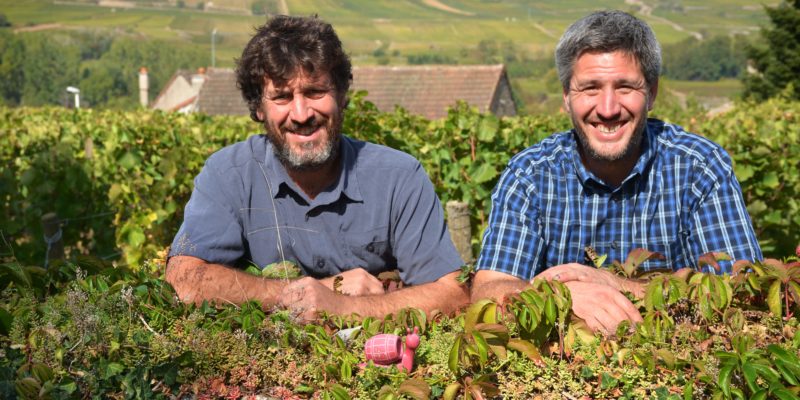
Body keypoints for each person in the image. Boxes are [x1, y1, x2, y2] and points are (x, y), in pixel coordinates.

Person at [471, 10, 762, 334]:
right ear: (567, 97)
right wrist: (558, 297)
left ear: (651, 93)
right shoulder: (530, 176)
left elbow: (742, 292)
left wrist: (616, 286)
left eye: (625, 87)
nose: (608, 108)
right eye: (590, 88)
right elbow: (487, 292)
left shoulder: (700, 167)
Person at [166, 15, 468, 321]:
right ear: (259, 108)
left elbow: (452, 294)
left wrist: (345, 308)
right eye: (282, 97)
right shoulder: (229, 174)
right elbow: (184, 280)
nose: (301, 114)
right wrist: (312, 292)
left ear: (342, 95)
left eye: (315, 92)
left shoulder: (399, 177)